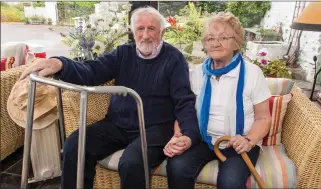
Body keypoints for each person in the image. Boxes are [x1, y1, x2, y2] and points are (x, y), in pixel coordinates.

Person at [20, 6, 200, 189]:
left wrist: (189, 134)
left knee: (131, 162)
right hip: (118, 124)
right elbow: (92, 71)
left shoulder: (174, 59)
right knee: (75, 145)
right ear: (133, 31)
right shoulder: (123, 53)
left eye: (151, 29)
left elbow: (183, 100)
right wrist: (60, 63)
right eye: (140, 28)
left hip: (155, 128)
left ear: (161, 32)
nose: (145, 35)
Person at [164, 12, 272, 189]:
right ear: (205, 44)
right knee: (177, 167)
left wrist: (249, 140)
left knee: (230, 182)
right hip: (203, 140)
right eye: (210, 38)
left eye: (223, 37)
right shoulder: (197, 73)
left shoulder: (253, 73)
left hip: (239, 143)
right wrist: (179, 136)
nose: (215, 43)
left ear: (236, 42)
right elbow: (184, 111)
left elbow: (264, 118)